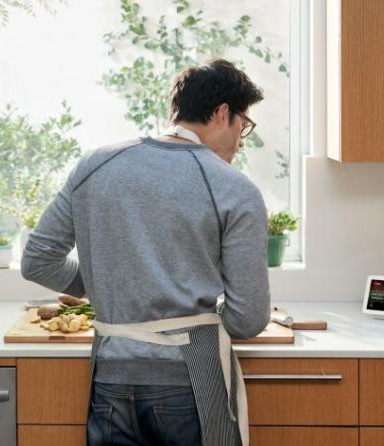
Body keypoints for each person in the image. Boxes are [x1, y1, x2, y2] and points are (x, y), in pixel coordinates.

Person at [21, 58, 271, 446]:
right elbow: (248, 318)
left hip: (110, 378)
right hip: (188, 381)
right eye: (244, 126)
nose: (241, 139)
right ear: (223, 114)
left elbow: (38, 260)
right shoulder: (233, 188)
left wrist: (111, 283)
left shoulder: (95, 164)